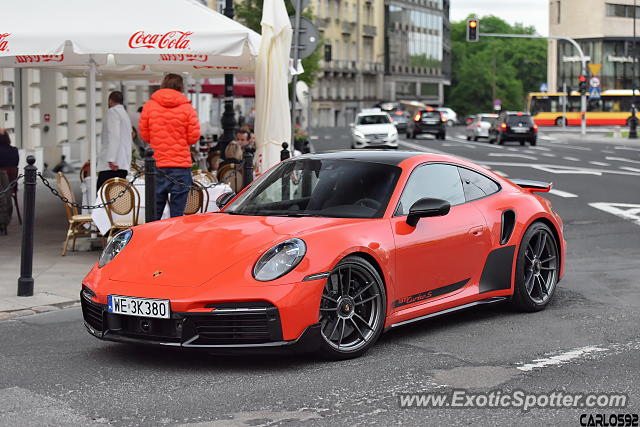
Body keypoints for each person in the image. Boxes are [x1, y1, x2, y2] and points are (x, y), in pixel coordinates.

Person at [139, 73, 200, 219]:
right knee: (177, 215)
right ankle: (174, 241)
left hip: (157, 164)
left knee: (154, 213)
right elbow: (193, 137)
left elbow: (145, 135)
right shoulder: (187, 108)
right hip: (180, 165)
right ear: (181, 87)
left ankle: (153, 241)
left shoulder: (149, 106)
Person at [97, 91, 133, 190]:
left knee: (101, 193)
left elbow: (114, 135)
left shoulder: (113, 112)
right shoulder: (125, 114)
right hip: (123, 162)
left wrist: (111, 159)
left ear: (110, 101)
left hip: (113, 165)